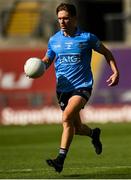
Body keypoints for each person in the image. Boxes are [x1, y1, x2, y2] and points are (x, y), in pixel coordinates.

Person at [41, 3, 119, 173]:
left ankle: (60, 159)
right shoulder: (54, 40)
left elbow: (107, 52)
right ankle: (93, 134)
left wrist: (115, 71)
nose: (62, 21)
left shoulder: (87, 38)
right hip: (62, 89)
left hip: (82, 86)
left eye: (66, 18)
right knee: (76, 128)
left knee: (67, 117)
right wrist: (39, 67)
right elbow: (48, 59)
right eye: (60, 18)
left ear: (75, 19)